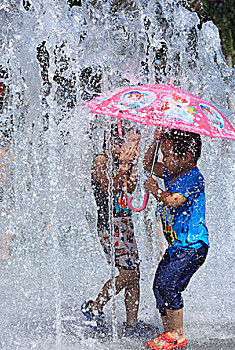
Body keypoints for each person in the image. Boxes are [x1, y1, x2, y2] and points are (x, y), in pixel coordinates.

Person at [82, 125, 155, 337]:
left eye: (138, 144)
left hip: (124, 224)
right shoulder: (101, 161)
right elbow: (109, 189)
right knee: (127, 273)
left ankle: (132, 323)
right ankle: (95, 306)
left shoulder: (125, 163)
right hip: (109, 226)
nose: (136, 148)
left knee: (135, 273)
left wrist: (133, 169)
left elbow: (129, 189)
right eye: (133, 143)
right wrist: (123, 166)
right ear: (116, 144)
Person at [143, 128, 209, 349]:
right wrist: (156, 142)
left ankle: (177, 334)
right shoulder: (173, 170)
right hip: (178, 246)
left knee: (169, 285)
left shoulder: (192, 177)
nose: (163, 160)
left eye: (167, 155)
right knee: (159, 285)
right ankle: (168, 332)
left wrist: (154, 190)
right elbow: (148, 165)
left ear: (186, 157)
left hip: (192, 246)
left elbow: (172, 200)